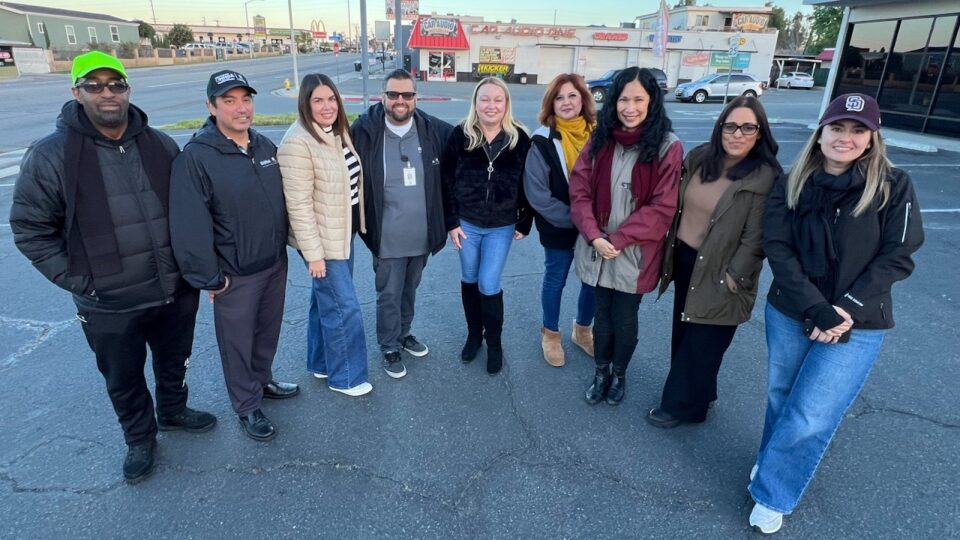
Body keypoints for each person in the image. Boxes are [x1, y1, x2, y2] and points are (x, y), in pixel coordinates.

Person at [9, 51, 215, 484]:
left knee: (174, 359)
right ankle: (140, 438)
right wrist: (81, 279)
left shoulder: (160, 144)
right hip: (109, 301)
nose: (107, 93)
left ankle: (173, 411)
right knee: (123, 376)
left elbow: (189, 211)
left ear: (127, 89)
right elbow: (30, 230)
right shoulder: (52, 156)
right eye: (94, 85)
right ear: (76, 92)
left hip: (173, 289)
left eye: (115, 84)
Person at [747, 94, 923, 534]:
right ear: (821, 132)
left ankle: (772, 493)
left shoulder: (892, 185)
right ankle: (771, 465)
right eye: (837, 128)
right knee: (782, 397)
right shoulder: (791, 183)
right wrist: (816, 308)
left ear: (871, 138)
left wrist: (843, 309)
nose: (846, 138)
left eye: (858, 130)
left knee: (812, 413)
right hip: (792, 310)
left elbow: (899, 255)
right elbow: (778, 248)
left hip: (857, 321)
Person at [170, 70, 299, 443]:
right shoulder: (197, 157)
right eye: (229, 101)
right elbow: (189, 224)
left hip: (273, 263)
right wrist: (210, 277)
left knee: (266, 333)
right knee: (237, 343)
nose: (241, 108)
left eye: (246, 99)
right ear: (211, 107)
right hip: (235, 274)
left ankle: (263, 381)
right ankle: (247, 405)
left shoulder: (262, 146)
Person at [647, 97, 782, 428]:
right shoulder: (699, 159)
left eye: (748, 127)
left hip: (725, 268)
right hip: (685, 259)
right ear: (720, 127)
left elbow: (756, 238)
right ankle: (701, 397)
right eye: (731, 126)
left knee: (704, 341)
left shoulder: (765, 177)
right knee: (685, 331)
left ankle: (677, 406)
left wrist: (735, 275)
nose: (738, 134)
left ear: (760, 132)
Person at [569, 67, 682, 406]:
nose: (629, 107)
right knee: (602, 315)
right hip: (597, 245)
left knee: (625, 318)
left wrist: (617, 240)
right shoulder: (600, 137)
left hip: (634, 253)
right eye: (623, 99)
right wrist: (593, 235)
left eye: (638, 99)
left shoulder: (667, 145)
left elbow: (664, 206)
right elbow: (579, 190)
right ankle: (600, 372)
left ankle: (619, 375)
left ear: (652, 101)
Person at [350, 69, 453, 379]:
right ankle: (389, 346)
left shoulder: (433, 130)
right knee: (389, 294)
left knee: (410, 290)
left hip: (422, 235)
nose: (400, 100)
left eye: (406, 95)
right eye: (393, 94)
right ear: (383, 97)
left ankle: (404, 332)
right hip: (387, 236)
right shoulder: (364, 131)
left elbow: (467, 147)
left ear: (415, 98)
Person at [277, 73, 372, 396]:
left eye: (331, 99)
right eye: (318, 100)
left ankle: (320, 363)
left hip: (343, 232)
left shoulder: (336, 131)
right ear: (305, 103)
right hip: (322, 241)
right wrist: (314, 254)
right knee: (345, 308)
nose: (327, 106)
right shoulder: (297, 142)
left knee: (325, 302)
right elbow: (298, 205)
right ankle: (346, 377)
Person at [442, 77, 532, 375]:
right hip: (466, 223)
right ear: (475, 103)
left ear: (506, 104)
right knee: (469, 278)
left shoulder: (519, 139)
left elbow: (530, 184)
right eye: (485, 99)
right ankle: (473, 336)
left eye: (498, 99)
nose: (491, 105)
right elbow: (445, 181)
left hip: (501, 226)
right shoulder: (460, 136)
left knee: (488, 283)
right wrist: (451, 222)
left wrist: (525, 220)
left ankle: (494, 343)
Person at [523, 73, 597, 368]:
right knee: (556, 279)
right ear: (551, 103)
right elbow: (537, 194)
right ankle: (550, 334)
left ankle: (583, 330)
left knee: (592, 282)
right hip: (560, 224)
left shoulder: (599, 135)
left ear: (583, 99)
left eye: (572, 96)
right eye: (559, 97)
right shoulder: (541, 140)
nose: (566, 102)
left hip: (596, 226)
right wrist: (579, 219)